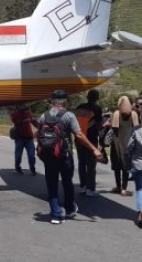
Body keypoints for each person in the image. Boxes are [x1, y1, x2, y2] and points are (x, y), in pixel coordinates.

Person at [37, 90, 103, 225]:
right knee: (67, 182)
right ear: (65, 101)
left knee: (52, 184)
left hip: (49, 156)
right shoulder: (69, 116)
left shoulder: (43, 116)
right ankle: (69, 208)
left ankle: (55, 214)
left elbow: (37, 134)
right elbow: (79, 135)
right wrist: (94, 148)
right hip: (65, 155)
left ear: (52, 101)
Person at [74, 89, 103, 195]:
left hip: (79, 138)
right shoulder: (97, 109)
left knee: (81, 163)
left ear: (87, 97)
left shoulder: (79, 108)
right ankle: (91, 189)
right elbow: (99, 126)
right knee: (91, 165)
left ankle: (83, 186)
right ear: (97, 98)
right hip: (91, 139)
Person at [110, 96, 139, 196]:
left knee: (117, 166)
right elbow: (136, 129)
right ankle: (124, 188)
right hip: (128, 143)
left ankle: (118, 186)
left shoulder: (117, 114)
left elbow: (114, 129)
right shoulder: (134, 114)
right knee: (126, 167)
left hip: (117, 143)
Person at [10, 104, 37, 175]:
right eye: (21, 105)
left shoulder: (28, 113)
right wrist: (20, 111)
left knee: (31, 154)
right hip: (19, 138)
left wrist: (41, 127)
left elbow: (34, 122)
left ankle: (32, 168)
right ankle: (17, 168)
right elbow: (15, 121)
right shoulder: (14, 114)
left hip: (29, 138)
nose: (24, 106)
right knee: (18, 155)